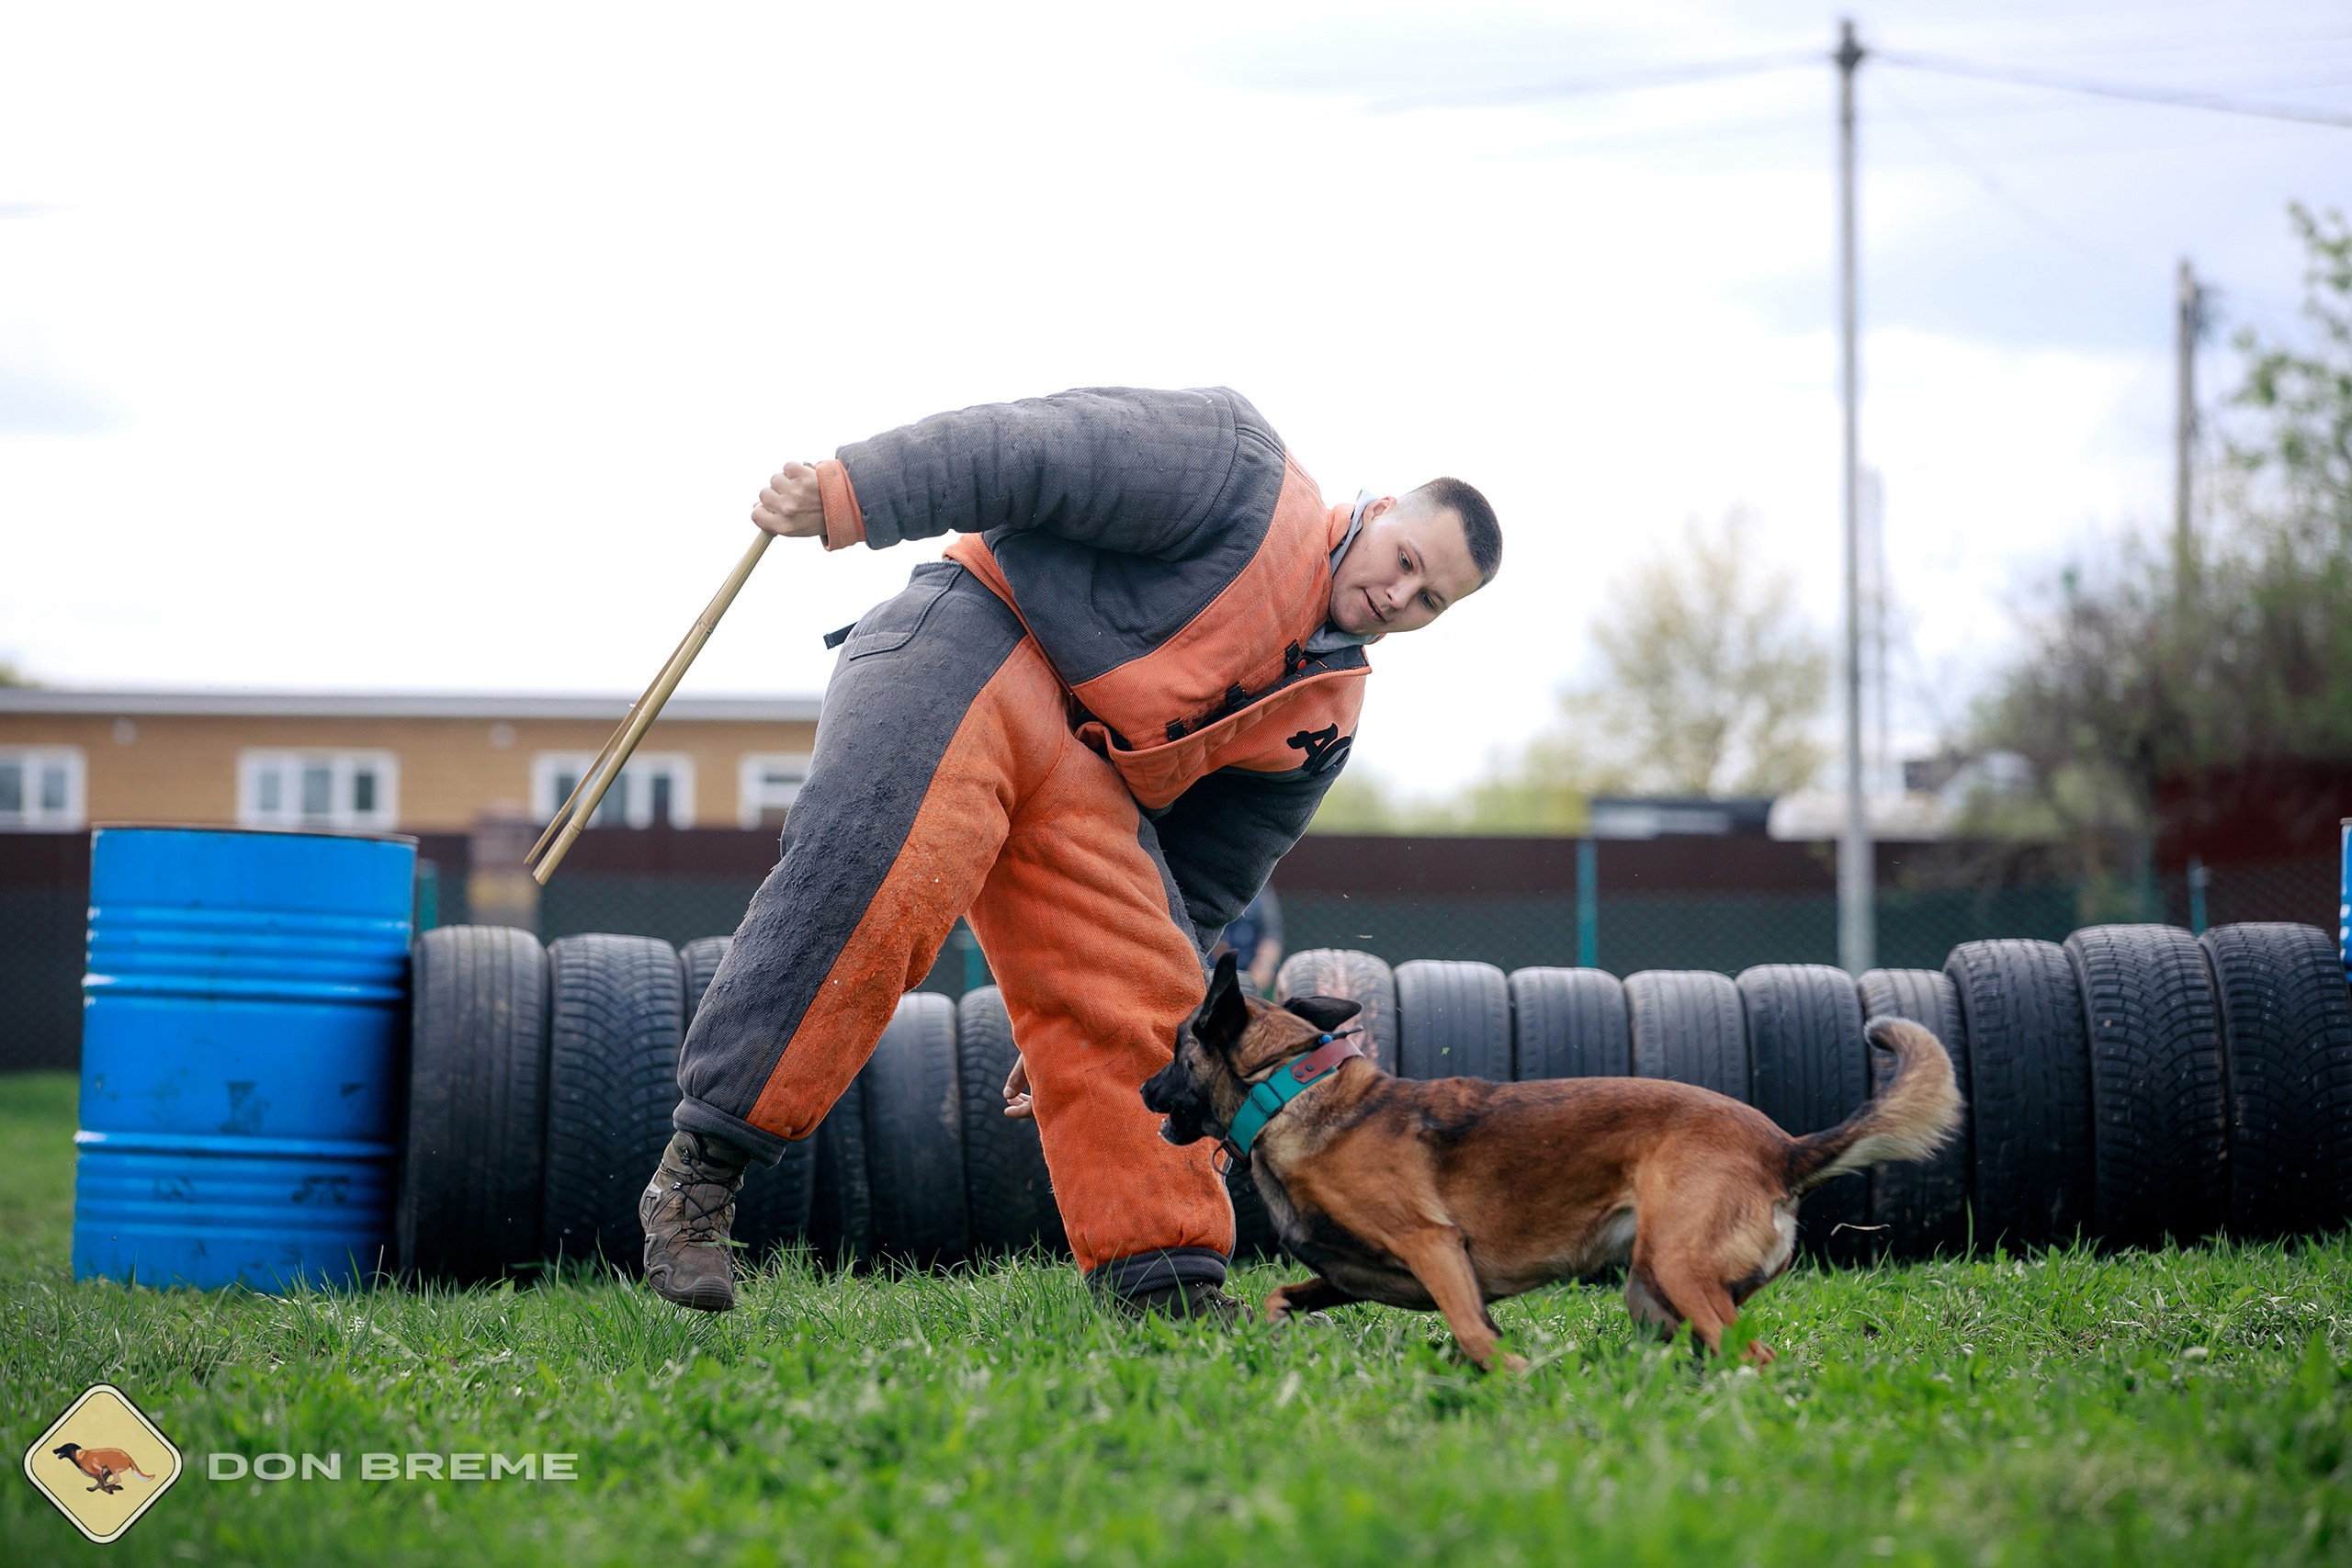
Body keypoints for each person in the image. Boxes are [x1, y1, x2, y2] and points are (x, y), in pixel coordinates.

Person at [639, 386, 1499, 1321]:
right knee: (887, 873)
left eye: (1430, 602)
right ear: (1376, 510)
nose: (1398, 596)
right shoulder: (1240, 468)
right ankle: (699, 1175)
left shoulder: (1324, 716)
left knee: (1155, 994)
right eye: (1405, 560)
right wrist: (851, 492)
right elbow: (1030, 449)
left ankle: (1165, 1282)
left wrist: (1085, 985)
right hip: (977, 637)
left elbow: (1208, 878)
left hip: (1089, 777)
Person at [1213, 886, 1283, 998]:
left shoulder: (1261, 893)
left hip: (1250, 973)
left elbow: (1271, 936)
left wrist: (1263, 965)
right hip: (1216, 972)